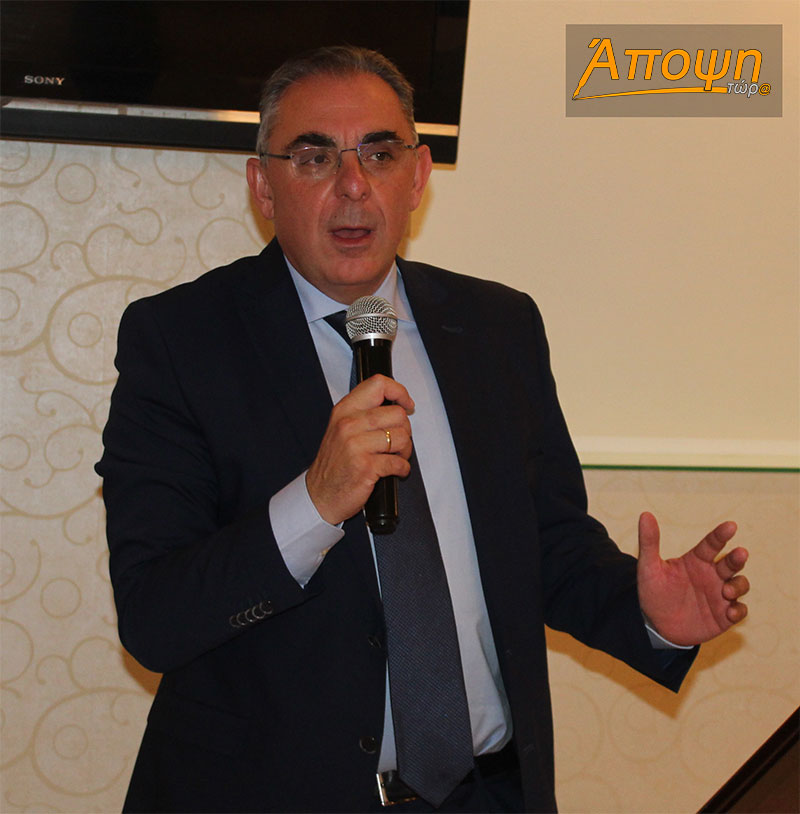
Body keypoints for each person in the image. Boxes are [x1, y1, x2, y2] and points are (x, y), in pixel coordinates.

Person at [96, 46, 750, 814]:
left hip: (487, 795)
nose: (353, 185)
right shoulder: (181, 340)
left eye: (380, 154)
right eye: (315, 158)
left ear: (418, 176)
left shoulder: (497, 326)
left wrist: (647, 616)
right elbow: (156, 618)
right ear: (262, 186)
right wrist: (314, 502)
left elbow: (549, 546)